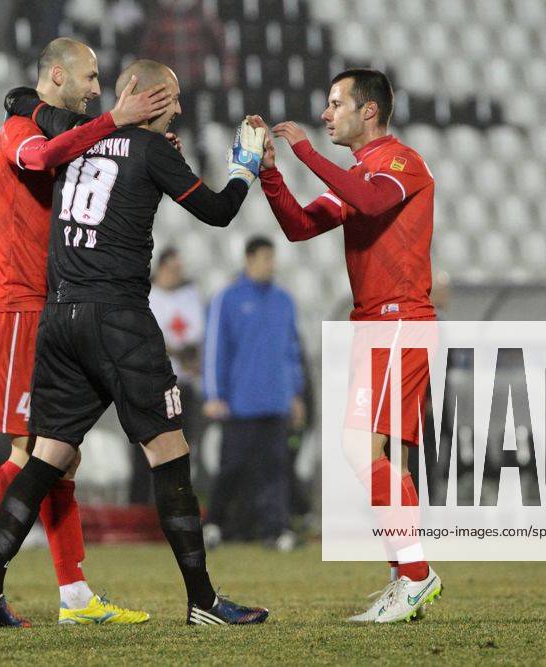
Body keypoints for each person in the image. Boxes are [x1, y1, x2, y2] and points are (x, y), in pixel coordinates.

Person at [0, 59, 270, 627]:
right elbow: (220, 212)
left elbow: (21, 102)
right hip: (118, 320)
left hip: (59, 320)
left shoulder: (74, 138)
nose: (178, 108)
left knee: (46, 456)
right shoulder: (154, 152)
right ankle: (203, 602)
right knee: (170, 454)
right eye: (171, 98)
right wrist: (245, 166)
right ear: (146, 96)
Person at [0, 37, 170, 627]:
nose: (98, 88)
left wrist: (139, 145)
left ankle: (75, 597)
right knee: (30, 455)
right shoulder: (21, 133)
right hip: (16, 306)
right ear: (57, 76)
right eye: (91, 78)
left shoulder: (54, 128)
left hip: (46, 305)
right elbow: (42, 161)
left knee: (60, 457)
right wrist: (114, 120)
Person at [249, 68, 442, 623]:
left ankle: (415, 574)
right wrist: (271, 175)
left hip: (400, 321)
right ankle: (405, 576)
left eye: (336, 104)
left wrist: (305, 151)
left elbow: (372, 202)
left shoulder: (401, 163)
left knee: (363, 452)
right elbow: (301, 227)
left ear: (370, 112)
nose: (327, 114)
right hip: (373, 325)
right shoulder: (359, 175)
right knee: (381, 458)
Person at [202, 237, 304, 551]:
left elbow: (292, 352)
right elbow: (215, 348)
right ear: (249, 260)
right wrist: (213, 394)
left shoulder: (284, 300)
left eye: (272, 259)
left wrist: (295, 394)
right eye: (264, 259)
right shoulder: (227, 299)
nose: (270, 265)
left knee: (275, 470)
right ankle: (213, 523)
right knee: (231, 467)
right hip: (239, 402)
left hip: (275, 401)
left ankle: (277, 529)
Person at [131, 247, 207, 502]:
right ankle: (140, 505)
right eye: (173, 268)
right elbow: (148, 335)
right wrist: (177, 351)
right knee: (148, 445)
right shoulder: (147, 296)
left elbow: (196, 335)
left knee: (183, 447)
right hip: (153, 383)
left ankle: (174, 502)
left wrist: (190, 357)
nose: (177, 274)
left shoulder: (189, 296)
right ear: (161, 268)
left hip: (183, 383)